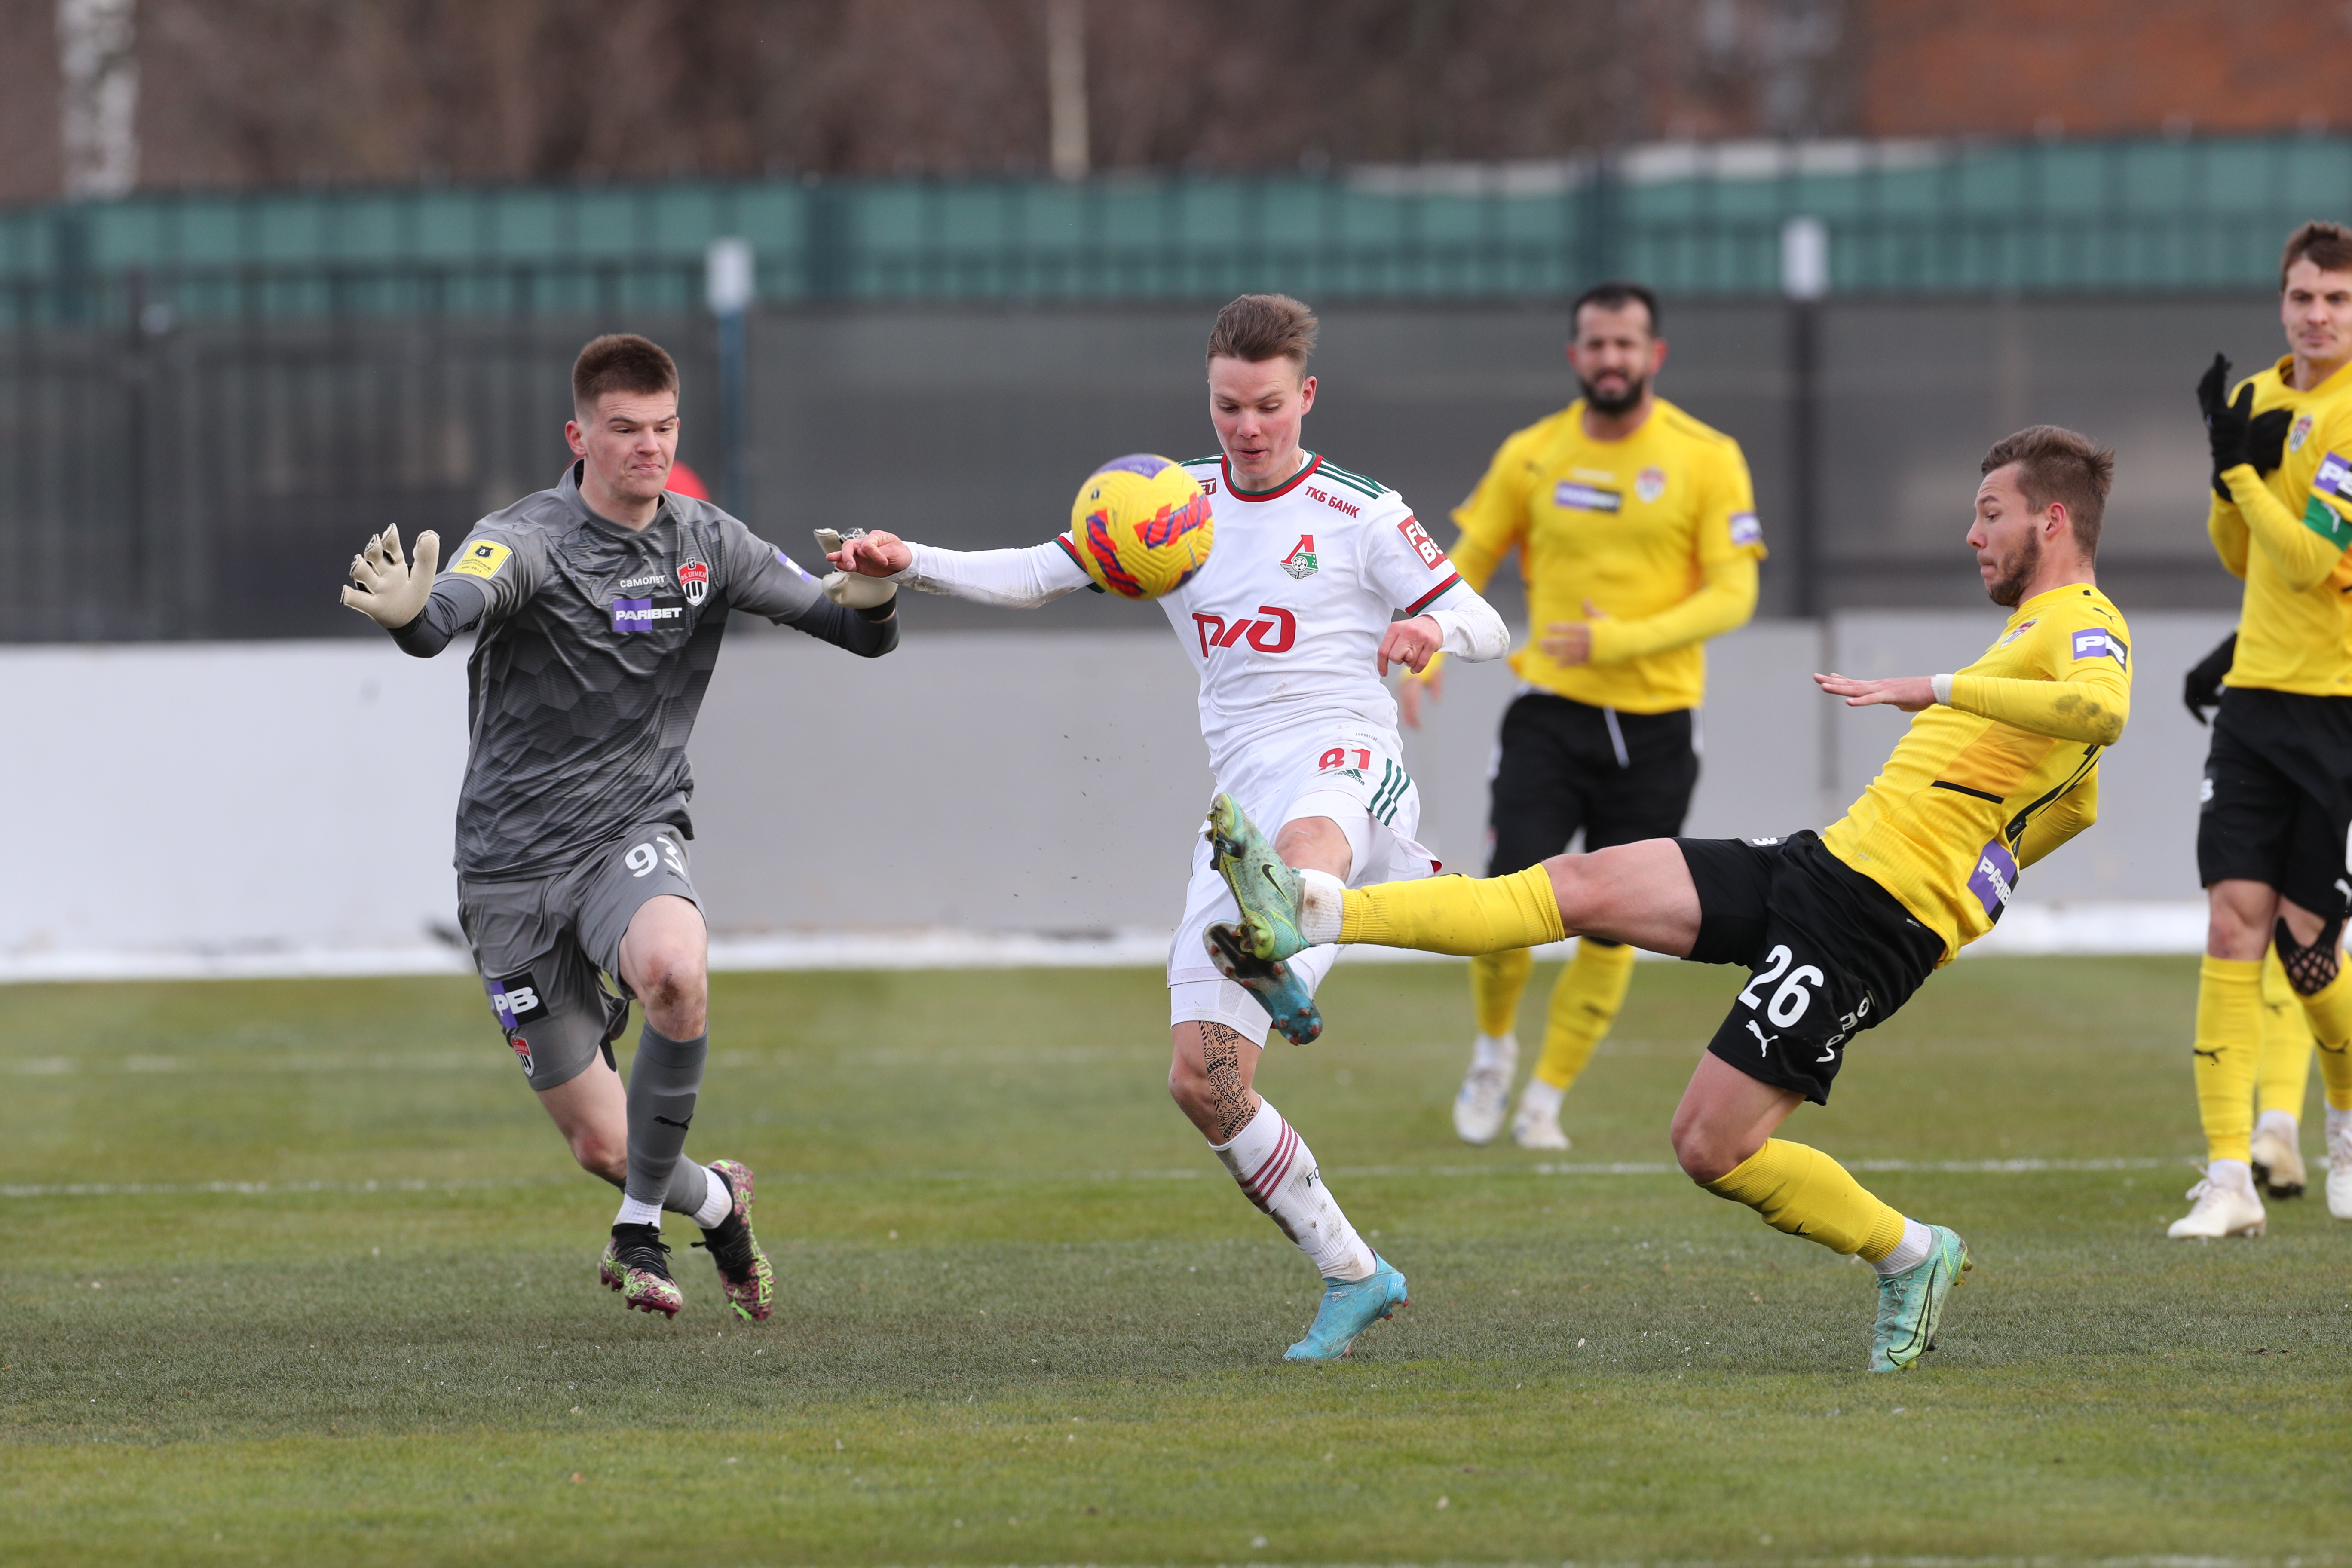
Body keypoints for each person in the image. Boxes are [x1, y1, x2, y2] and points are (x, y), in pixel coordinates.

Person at [1207, 425, 2127, 1372]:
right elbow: (2080, 800)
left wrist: (1931, 705)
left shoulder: (2082, 620)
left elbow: (2105, 712)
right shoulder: (2029, 630)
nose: (1973, 535)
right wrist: (1995, 865)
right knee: (1577, 886)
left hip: (1874, 922)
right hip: (1826, 864)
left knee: (1707, 1145)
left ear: (2052, 520)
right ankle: (1311, 913)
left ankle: (1912, 1252)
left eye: (1990, 514)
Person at [826, 294, 1511, 1360]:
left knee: (1300, 852)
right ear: (1209, 395)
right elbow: (1036, 576)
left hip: (1345, 758)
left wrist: (1430, 626)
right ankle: (1354, 1271)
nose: (1247, 428)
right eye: (1229, 406)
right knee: (1203, 1082)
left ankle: (1300, 926)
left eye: (1269, 408)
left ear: (1307, 397)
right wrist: (904, 557)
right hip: (1237, 800)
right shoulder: (1164, 506)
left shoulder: (1360, 512)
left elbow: (1488, 618)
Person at [338, 333, 901, 1317]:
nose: (648, 446)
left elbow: (854, 632)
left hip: (629, 831)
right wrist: (409, 618)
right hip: (508, 870)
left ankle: (637, 1234)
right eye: (626, 430)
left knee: (677, 971)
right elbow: (447, 614)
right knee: (603, 1145)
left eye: (664, 428)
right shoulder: (524, 537)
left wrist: (881, 595)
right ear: (581, 435)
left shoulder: (708, 542)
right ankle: (716, 1203)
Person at [1398, 280, 1763, 1151]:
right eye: (1595, 345)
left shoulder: (1708, 456)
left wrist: (1621, 640)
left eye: (1626, 344)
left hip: (1659, 728)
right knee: (1506, 904)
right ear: (1575, 357)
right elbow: (1470, 556)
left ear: (1654, 356)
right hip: (1549, 717)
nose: (1610, 359)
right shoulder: (1532, 453)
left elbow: (1736, 592)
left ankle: (1546, 1098)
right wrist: (1432, 640)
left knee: (1614, 925)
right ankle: (1493, 1055)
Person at [2174, 220, 2352, 1236]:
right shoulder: (2258, 399)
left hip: (2337, 706)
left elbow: (2310, 563)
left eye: (2336, 299)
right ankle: (2229, 1179)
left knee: (2310, 949)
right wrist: (2222, 473)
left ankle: (2344, 1117)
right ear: (2280, 302)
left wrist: (2242, 472)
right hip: (2255, 697)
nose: (2317, 315)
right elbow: (2242, 558)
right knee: (2231, 916)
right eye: (2302, 297)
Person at [2184, 633, 2321, 1201]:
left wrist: (2215, 666)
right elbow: (2293, 606)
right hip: (2294, 727)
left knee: (2309, 937)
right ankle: (2275, 1133)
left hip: (2327, 729)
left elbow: (2305, 597)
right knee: (2287, 931)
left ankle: (2295, 1129)